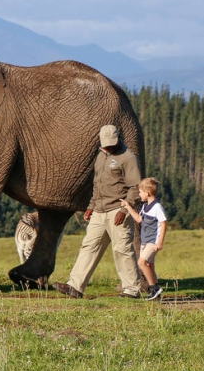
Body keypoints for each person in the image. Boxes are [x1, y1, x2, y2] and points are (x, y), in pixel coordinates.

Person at [53, 124, 142, 299]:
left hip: (118, 209)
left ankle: (132, 290)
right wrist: (91, 206)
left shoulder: (128, 157)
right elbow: (97, 185)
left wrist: (124, 211)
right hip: (99, 211)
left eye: (111, 143)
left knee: (122, 249)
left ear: (118, 139)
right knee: (89, 246)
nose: (108, 147)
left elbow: (135, 187)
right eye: (105, 144)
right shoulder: (101, 156)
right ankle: (75, 286)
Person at [120, 177, 167, 301]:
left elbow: (163, 223)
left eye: (140, 192)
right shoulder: (145, 206)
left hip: (153, 242)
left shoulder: (157, 207)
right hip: (145, 241)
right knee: (149, 264)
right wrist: (128, 207)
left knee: (141, 262)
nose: (139, 194)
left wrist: (160, 242)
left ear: (147, 192)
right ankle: (156, 294)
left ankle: (153, 288)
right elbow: (139, 219)